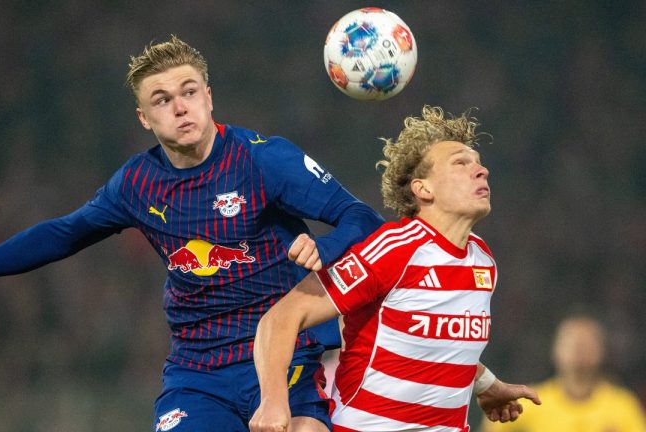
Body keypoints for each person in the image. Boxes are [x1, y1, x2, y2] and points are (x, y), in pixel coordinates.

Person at [0, 35, 384, 432]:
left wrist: (324, 247)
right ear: (144, 118)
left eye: (190, 92)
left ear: (209, 97)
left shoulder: (264, 159)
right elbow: (60, 235)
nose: (180, 107)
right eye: (162, 100)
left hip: (284, 358)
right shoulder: (136, 183)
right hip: (198, 372)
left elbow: (360, 216)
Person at [250, 105, 541, 432]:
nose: (481, 170)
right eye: (461, 163)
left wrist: (487, 384)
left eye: (479, 163)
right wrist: (273, 400)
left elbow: (436, 340)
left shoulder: (482, 260)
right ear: (423, 189)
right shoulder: (395, 250)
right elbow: (283, 316)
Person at [482, 312, 646, 432]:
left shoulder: (622, 405)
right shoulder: (531, 402)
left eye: (587, 342)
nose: (579, 347)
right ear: (556, 350)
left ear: (602, 351)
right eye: (572, 341)